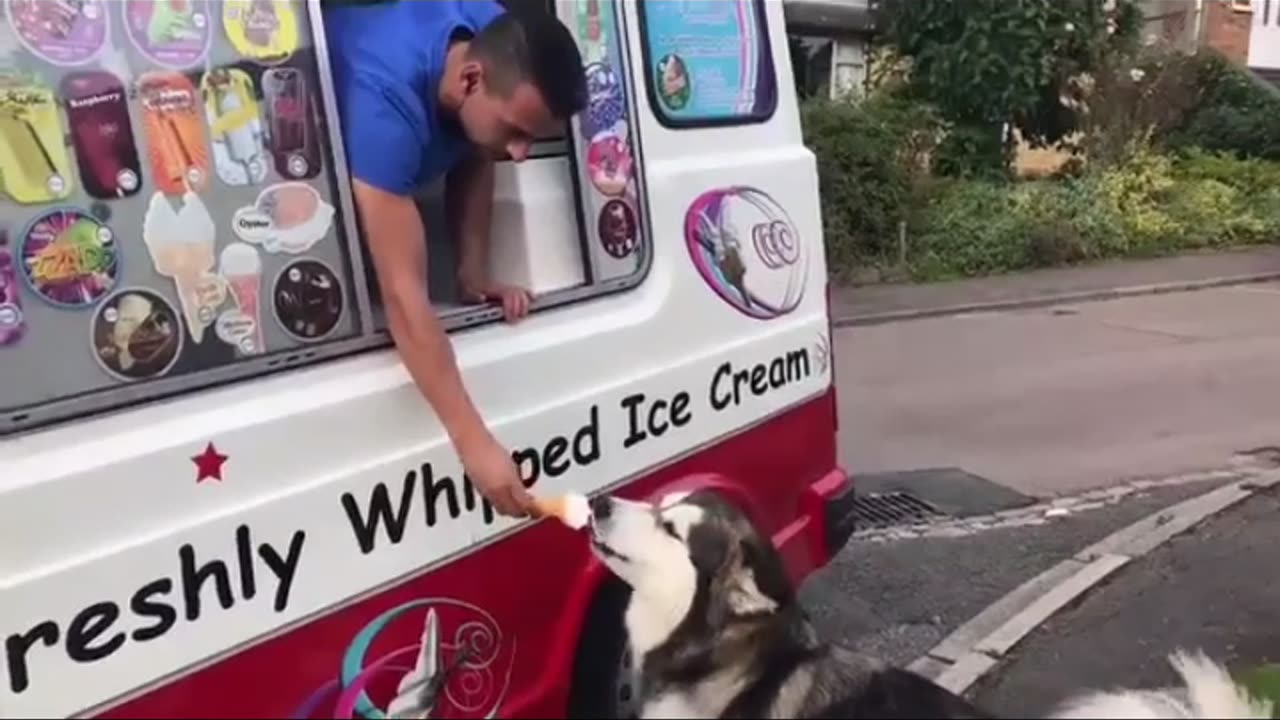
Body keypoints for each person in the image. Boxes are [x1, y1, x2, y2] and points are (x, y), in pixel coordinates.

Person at [322, 1, 587, 518]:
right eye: (516, 130)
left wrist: (473, 272)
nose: (519, 155)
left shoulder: (489, 28)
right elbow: (404, 299)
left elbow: (475, 148)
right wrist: (474, 443)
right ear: (468, 78)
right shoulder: (381, 106)